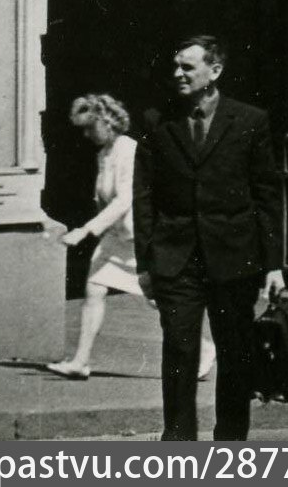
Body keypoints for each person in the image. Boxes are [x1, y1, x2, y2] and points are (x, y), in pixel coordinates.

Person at [134, 36, 281, 441]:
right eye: (176, 66)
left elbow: (266, 195)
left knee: (235, 354)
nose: (178, 74)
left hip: (234, 258)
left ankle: (231, 443)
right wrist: (146, 263)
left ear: (214, 71)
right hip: (176, 258)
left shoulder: (250, 121)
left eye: (188, 67)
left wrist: (273, 264)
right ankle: (178, 443)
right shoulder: (158, 122)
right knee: (179, 351)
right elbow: (143, 195)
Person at [46, 95, 215, 383]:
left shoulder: (129, 150)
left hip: (144, 239)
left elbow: (126, 199)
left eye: (89, 128)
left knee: (160, 300)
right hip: (118, 237)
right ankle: (80, 361)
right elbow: (104, 197)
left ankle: (204, 348)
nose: (86, 135)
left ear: (106, 123)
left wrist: (87, 230)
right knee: (94, 287)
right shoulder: (104, 153)